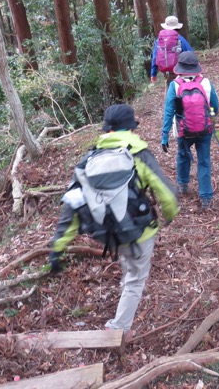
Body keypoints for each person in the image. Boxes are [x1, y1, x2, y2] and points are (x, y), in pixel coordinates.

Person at [48, 104, 179, 339]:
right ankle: (120, 329)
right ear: (130, 127)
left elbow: (72, 206)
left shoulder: (89, 159)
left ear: (107, 129)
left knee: (129, 264)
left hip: (108, 232)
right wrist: (169, 216)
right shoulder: (139, 153)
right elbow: (167, 195)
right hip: (140, 231)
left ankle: (124, 296)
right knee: (136, 279)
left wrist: (57, 248)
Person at [161, 52, 219, 209]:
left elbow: (169, 112)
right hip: (204, 130)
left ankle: (183, 184)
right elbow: (215, 105)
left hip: (184, 130)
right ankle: (206, 197)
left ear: (179, 68)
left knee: (183, 155)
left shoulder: (175, 85)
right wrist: (210, 117)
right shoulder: (206, 83)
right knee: (204, 161)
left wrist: (164, 135)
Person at [150, 15, 194, 84]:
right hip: (180, 70)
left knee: (169, 89)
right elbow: (190, 53)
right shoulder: (180, 39)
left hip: (166, 72)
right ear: (177, 27)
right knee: (181, 89)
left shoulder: (159, 40)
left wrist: (153, 74)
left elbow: (155, 57)